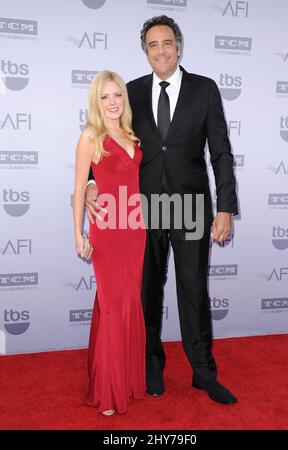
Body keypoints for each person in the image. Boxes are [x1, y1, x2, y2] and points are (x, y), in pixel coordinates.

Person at [86, 16, 238, 405]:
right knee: (146, 293)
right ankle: (152, 363)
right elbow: (103, 137)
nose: (161, 50)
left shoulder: (205, 90)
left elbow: (220, 151)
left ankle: (203, 372)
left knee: (193, 293)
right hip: (141, 211)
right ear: (145, 51)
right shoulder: (130, 91)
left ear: (179, 46)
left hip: (190, 208)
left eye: (167, 42)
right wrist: (89, 183)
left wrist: (225, 208)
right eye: (152, 45)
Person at [73, 70, 146, 415]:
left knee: (127, 304)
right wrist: (79, 234)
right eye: (105, 97)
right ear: (96, 102)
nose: (113, 102)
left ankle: (126, 381)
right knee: (113, 305)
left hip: (134, 228)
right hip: (106, 231)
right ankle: (108, 391)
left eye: (117, 95)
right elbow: (79, 189)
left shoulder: (131, 135)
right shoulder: (91, 137)